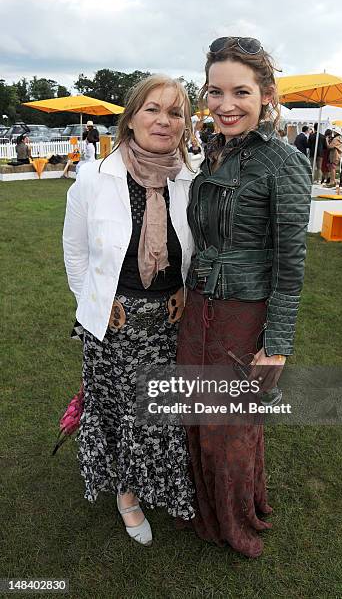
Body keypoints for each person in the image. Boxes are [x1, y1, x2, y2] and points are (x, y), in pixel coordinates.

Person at [176, 36, 312, 558]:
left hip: (242, 314)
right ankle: (209, 511)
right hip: (199, 308)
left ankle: (235, 525)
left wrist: (276, 342)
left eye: (240, 92)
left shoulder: (283, 164)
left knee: (230, 427)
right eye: (215, 92)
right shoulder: (215, 154)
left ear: (267, 96)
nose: (226, 105)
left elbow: (290, 263)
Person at [63, 75, 196, 547]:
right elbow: (75, 253)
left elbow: (191, 249)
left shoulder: (189, 178)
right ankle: (126, 494)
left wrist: (179, 285)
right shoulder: (93, 178)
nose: (164, 120)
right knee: (121, 411)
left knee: (155, 411)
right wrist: (94, 303)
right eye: (152, 109)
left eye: (175, 112)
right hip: (113, 326)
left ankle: (154, 479)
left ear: (185, 123)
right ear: (132, 115)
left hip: (166, 324)